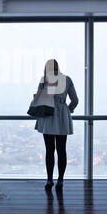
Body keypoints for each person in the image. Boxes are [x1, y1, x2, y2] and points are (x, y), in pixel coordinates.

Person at [34, 59, 78, 192]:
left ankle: (49, 180)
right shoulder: (67, 79)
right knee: (61, 150)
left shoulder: (44, 79)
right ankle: (60, 180)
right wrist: (68, 109)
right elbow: (75, 100)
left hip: (47, 115)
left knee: (49, 150)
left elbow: (38, 98)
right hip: (61, 116)